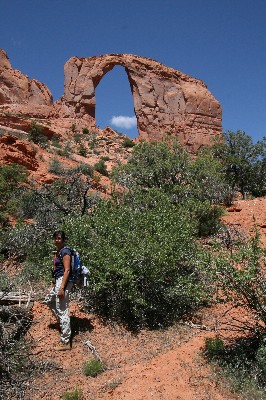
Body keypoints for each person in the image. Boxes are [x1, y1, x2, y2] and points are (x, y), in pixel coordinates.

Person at [43, 230, 73, 351]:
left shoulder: (65, 252)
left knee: (62, 309)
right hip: (58, 281)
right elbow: (56, 271)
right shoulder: (58, 252)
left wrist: (61, 288)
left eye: (59, 238)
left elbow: (67, 271)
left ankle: (65, 341)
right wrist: (53, 285)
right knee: (49, 300)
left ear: (63, 239)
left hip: (63, 281)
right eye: (55, 238)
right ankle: (62, 324)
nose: (57, 240)